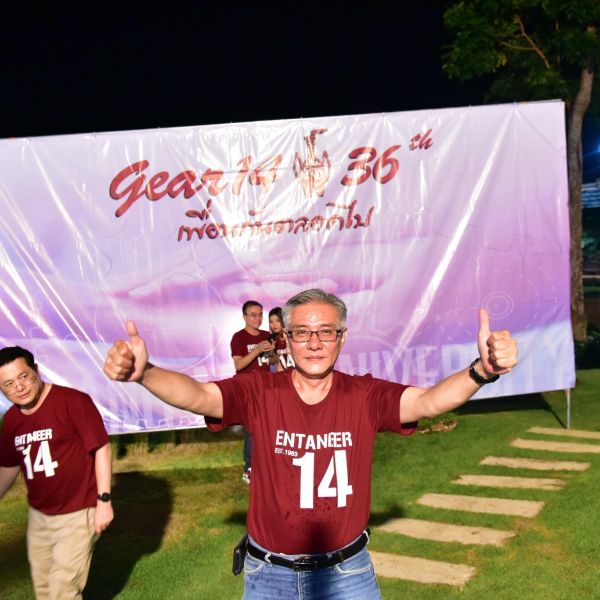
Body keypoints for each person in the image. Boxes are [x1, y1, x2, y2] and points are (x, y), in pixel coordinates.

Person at [103, 288, 517, 599]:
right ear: (286, 338)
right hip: (269, 576)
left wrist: (481, 371)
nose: (314, 343)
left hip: (346, 575)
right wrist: (146, 373)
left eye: (325, 332)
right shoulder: (260, 392)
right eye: (302, 332)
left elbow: (428, 402)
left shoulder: (365, 395)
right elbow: (198, 396)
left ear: (342, 337)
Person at [0, 346, 113, 600]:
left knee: (62, 589)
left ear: (36, 370)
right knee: (44, 590)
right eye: (8, 384)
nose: (19, 387)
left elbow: (101, 448)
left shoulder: (73, 402)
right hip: (39, 516)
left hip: (78, 511)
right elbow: (8, 466)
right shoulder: (12, 420)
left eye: (23, 377)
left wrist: (104, 500)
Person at [230, 300, 274, 483]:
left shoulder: (267, 335)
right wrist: (257, 350)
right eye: (253, 315)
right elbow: (239, 365)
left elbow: (273, 362)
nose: (258, 318)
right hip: (248, 390)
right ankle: (249, 468)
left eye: (260, 315)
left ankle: (267, 466)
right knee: (252, 429)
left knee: (268, 429)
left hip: (266, 389)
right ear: (244, 317)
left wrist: (272, 352)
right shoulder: (238, 337)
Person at [268, 307, 295, 372]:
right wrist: (271, 351)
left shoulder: (292, 334)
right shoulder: (272, 338)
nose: (274, 325)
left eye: (277, 321)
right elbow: (272, 362)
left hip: (297, 373)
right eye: (271, 322)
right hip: (282, 374)